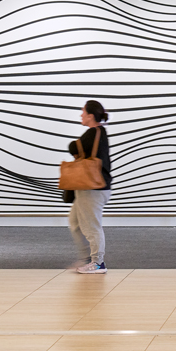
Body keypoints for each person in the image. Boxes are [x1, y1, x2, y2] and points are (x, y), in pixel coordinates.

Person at [67, 100, 112, 274]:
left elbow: (72, 146)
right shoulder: (99, 133)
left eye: (83, 112)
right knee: (75, 223)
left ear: (90, 116)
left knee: (92, 226)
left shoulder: (94, 132)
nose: (81, 115)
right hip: (91, 188)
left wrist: (76, 148)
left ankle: (98, 262)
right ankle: (87, 259)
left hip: (93, 188)